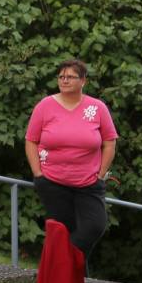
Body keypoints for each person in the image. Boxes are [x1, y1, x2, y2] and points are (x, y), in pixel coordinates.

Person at [24, 59, 118, 264]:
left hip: (89, 182)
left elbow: (109, 143)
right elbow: (30, 141)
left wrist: (101, 174)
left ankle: (58, 266)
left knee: (94, 226)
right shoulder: (45, 106)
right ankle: (72, 279)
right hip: (52, 181)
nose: (64, 80)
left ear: (83, 81)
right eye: (61, 77)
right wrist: (38, 173)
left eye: (70, 77)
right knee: (63, 230)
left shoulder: (97, 108)